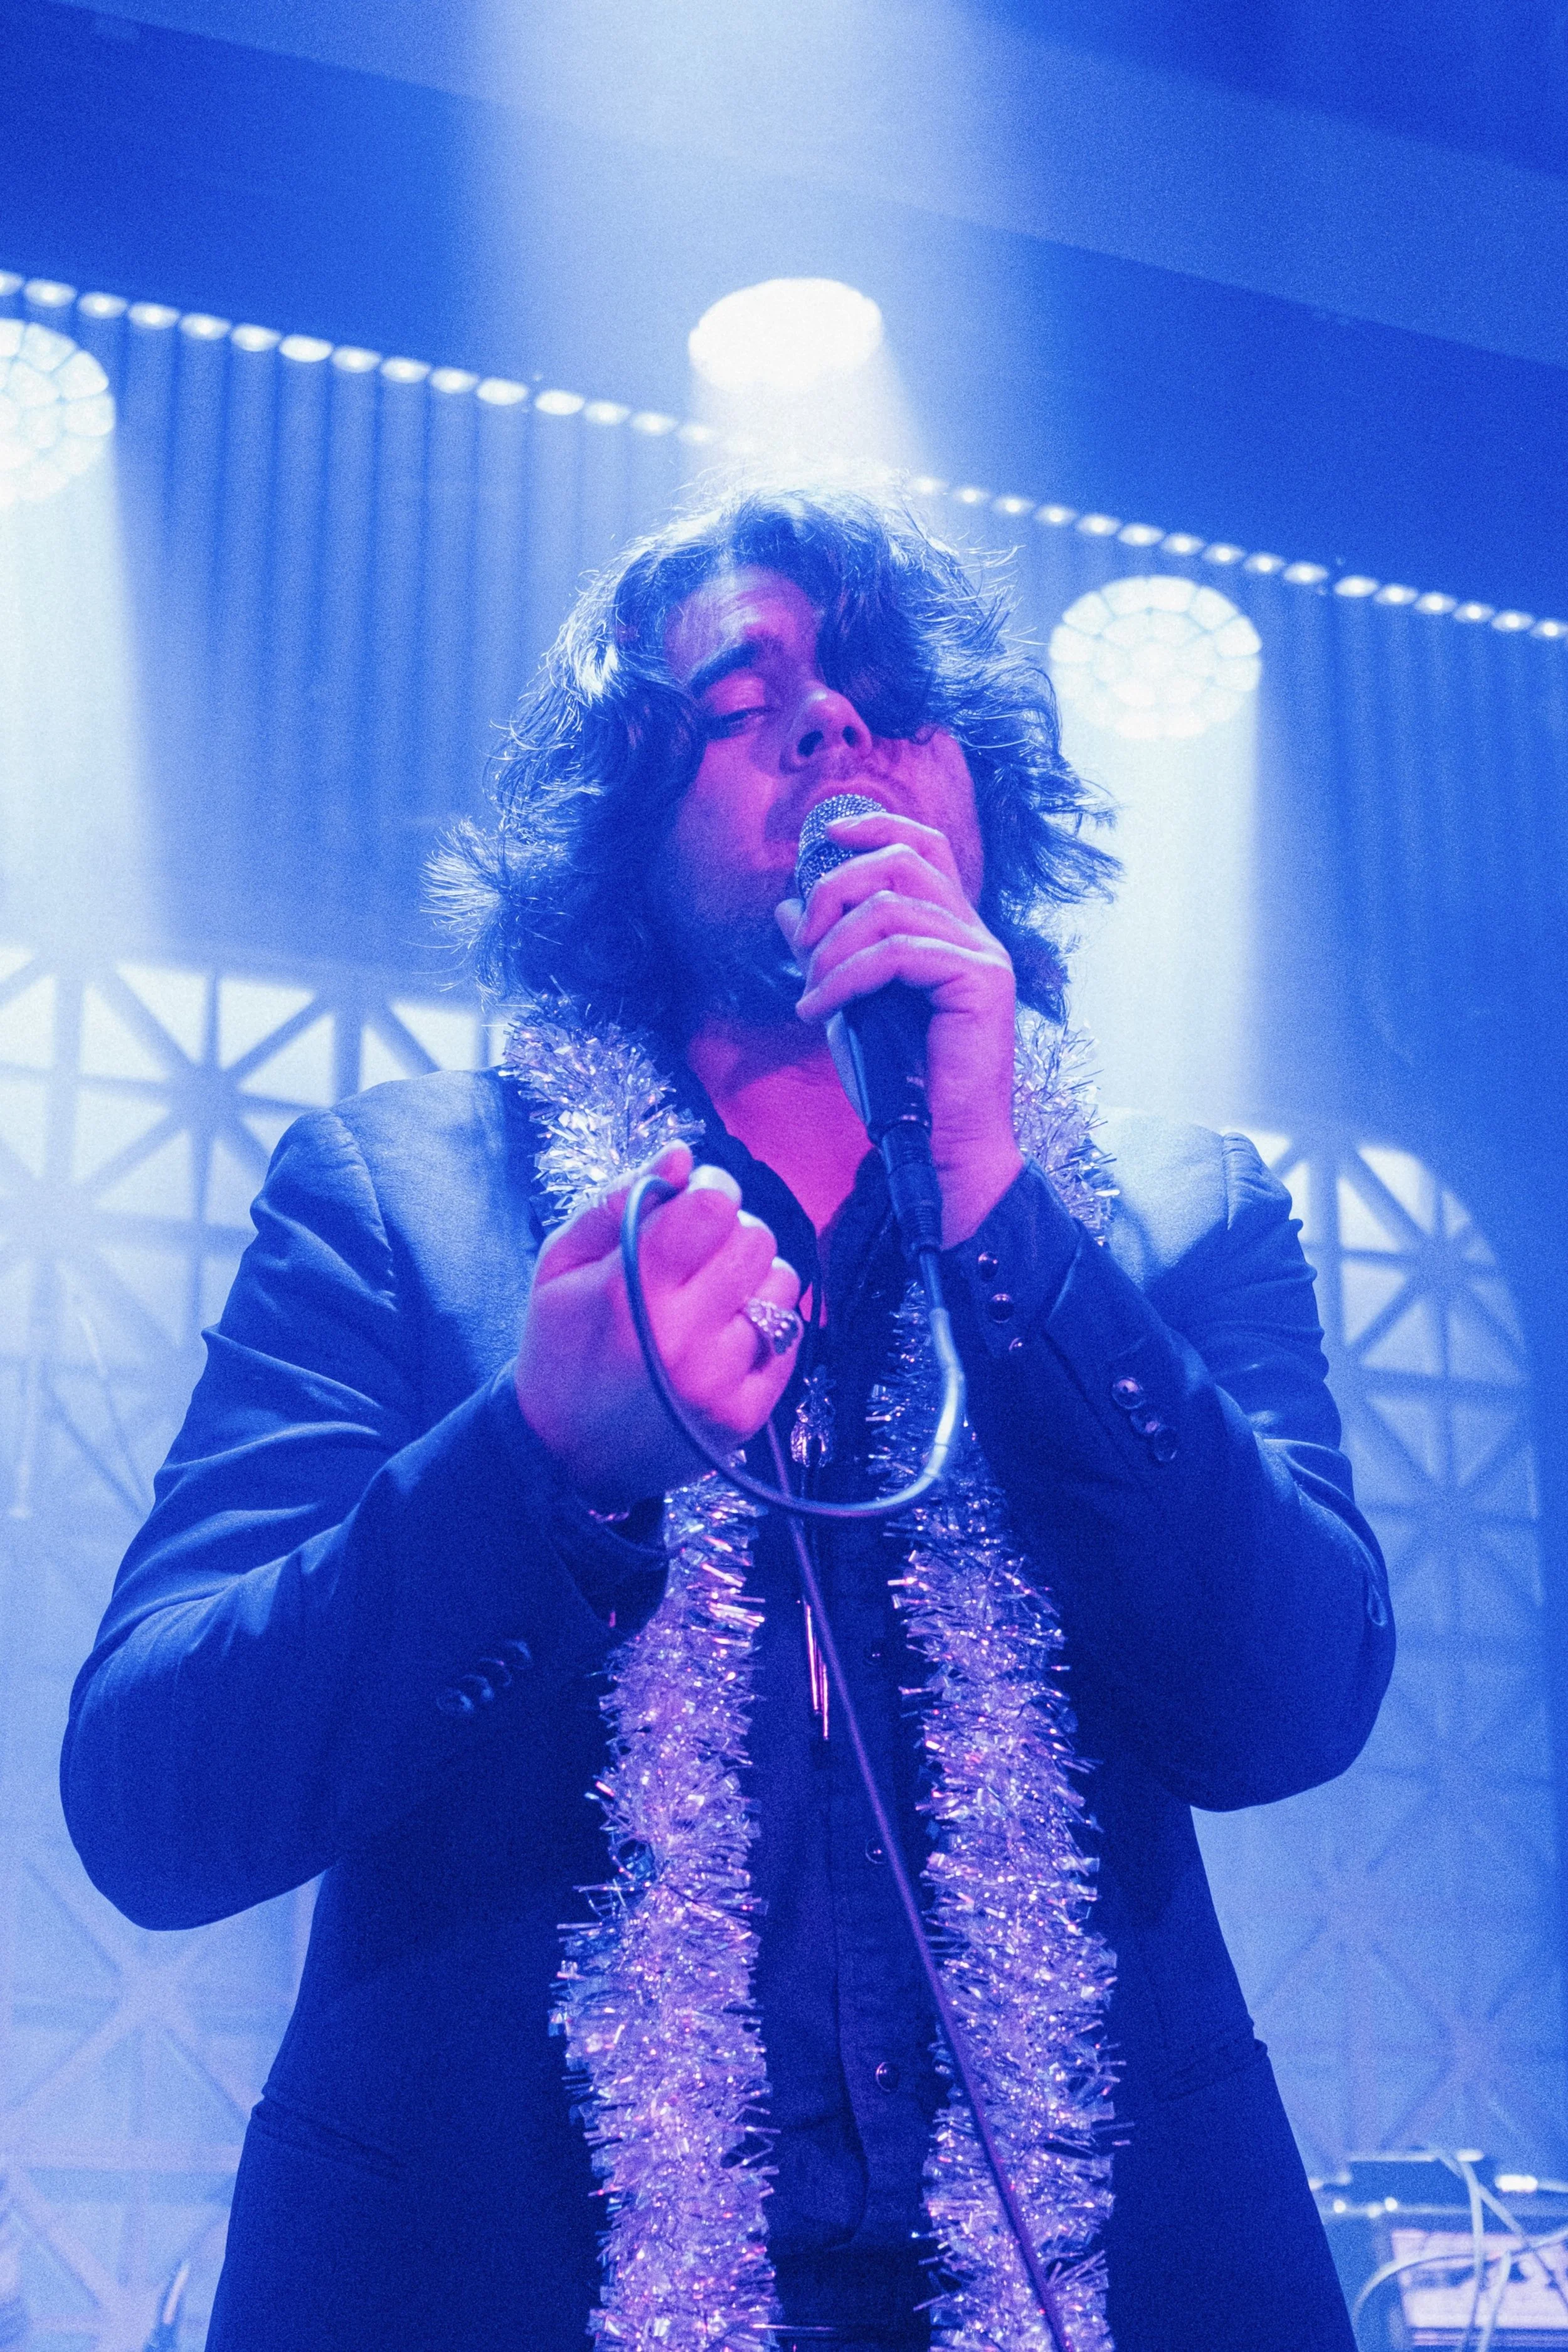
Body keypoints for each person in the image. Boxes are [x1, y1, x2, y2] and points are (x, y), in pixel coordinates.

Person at [61, 489, 1392, 2352]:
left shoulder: (1172, 1214)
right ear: (621, 810)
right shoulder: (405, 1193)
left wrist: (1006, 1219)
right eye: (741, 695)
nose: (831, 724)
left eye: (886, 690)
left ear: (979, 791)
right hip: (502, 2282)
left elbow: (1288, 1701)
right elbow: (154, 1794)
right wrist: (541, 1460)